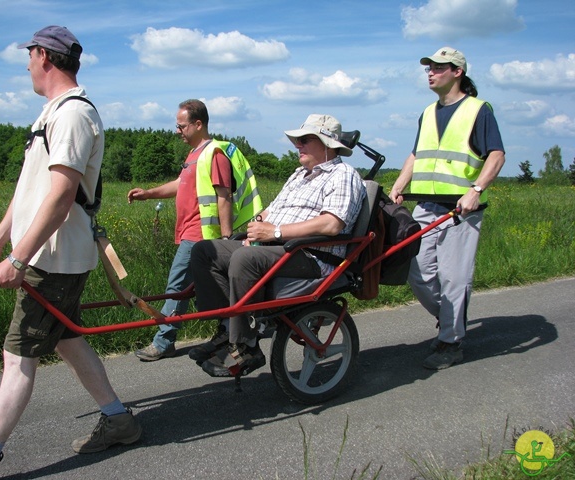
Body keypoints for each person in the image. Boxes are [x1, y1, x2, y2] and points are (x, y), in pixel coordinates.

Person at [0, 26, 141, 480]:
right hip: (47, 254)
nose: (26, 63)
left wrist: (19, 258)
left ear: (44, 56)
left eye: (28, 55)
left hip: (53, 258)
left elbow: (62, 196)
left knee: (18, 354)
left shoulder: (71, 116)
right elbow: (29, 192)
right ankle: (120, 419)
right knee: (66, 340)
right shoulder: (50, 114)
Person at [189, 114, 365, 377]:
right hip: (279, 247)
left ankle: (246, 344)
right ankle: (227, 328)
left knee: (245, 260)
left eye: (305, 140)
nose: (298, 145)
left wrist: (276, 232)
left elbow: (332, 224)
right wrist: (257, 227)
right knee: (205, 251)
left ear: (327, 144)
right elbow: (272, 210)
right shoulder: (299, 175)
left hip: (313, 256)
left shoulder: (343, 174)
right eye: (298, 140)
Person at [388, 47, 506, 370]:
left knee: (454, 277)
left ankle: (451, 342)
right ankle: (451, 320)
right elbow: (416, 154)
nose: (430, 72)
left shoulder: (478, 111)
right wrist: (399, 184)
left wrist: (476, 189)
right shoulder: (426, 113)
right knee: (417, 271)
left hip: (461, 211)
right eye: (429, 67)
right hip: (424, 204)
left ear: (458, 72)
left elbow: (496, 155)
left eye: (439, 67)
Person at [128, 99, 262, 361]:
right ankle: (230, 331)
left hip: (201, 236)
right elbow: (180, 184)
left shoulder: (214, 154)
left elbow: (224, 196)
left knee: (176, 287)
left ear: (198, 124)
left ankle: (164, 341)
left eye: (181, 126)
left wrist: (226, 240)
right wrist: (148, 194)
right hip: (190, 233)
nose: (177, 131)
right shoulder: (194, 155)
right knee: (199, 288)